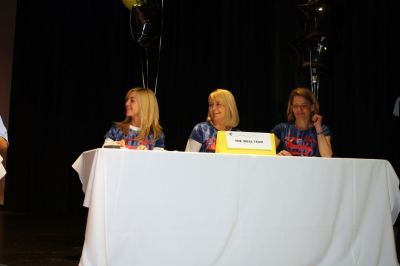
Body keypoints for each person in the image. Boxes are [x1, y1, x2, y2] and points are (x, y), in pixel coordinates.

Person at [271, 87, 333, 157]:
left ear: (312, 107)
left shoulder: (322, 129)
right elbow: (265, 154)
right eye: (295, 106)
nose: (299, 109)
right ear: (292, 108)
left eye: (303, 106)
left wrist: (318, 128)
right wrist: (278, 156)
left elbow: (327, 156)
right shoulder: (282, 129)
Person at [185, 88, 240, 152]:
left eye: (218, 104)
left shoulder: (238, 135)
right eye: (211, 105)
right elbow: (188, 158)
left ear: (229, 107)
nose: (213, 108)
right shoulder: (201, 129)